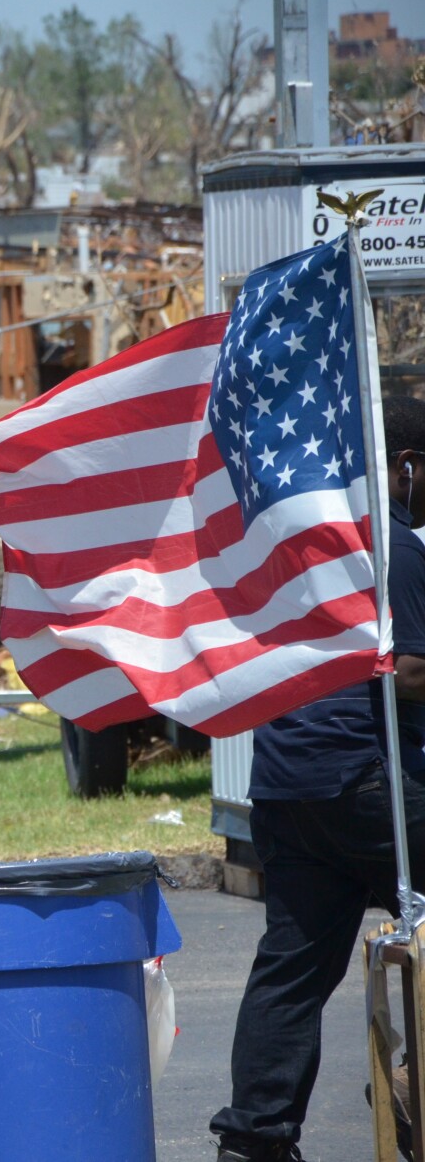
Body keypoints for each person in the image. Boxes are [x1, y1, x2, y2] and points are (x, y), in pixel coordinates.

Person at [213, 395, 425, 1162]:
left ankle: (255, 1138)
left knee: (294, 967)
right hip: (364, 778)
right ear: (405, 467)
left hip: (284, 783)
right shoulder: (392, 547)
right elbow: (407, 669)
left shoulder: (306, 546)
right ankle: (413, 1085)